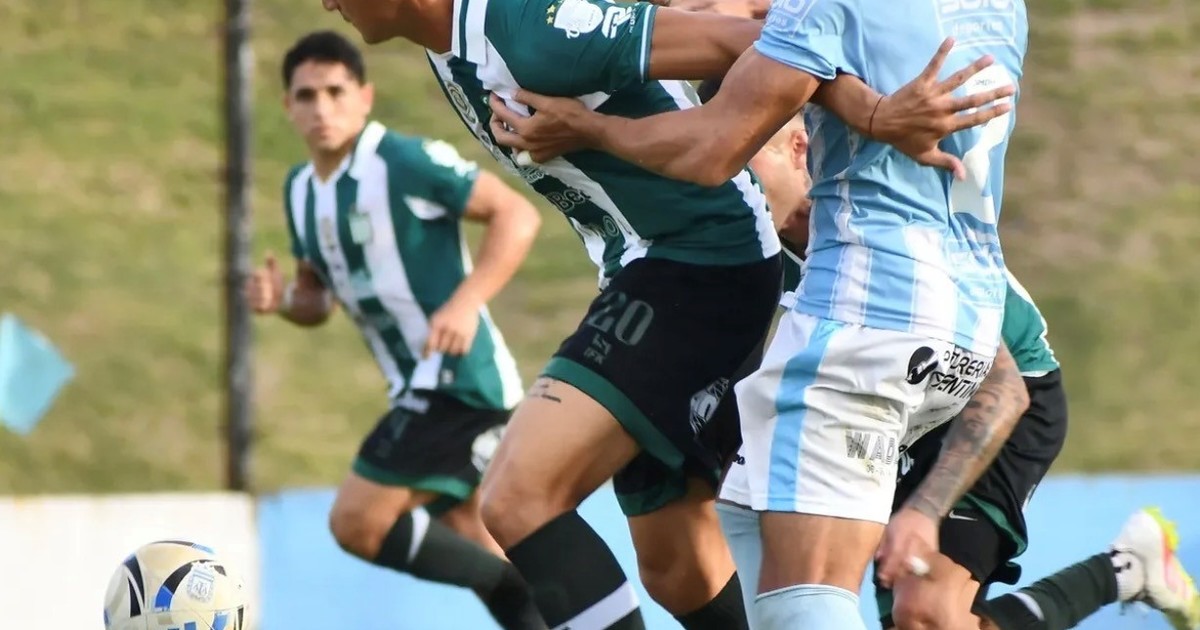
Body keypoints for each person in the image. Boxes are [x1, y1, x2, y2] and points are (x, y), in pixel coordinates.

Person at [319, 0, 1008, 627]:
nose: (326, 3)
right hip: (661, 266)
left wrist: (874, 115)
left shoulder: (529, 32)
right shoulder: (451, 45)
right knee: (678, 569)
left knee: (518, 497)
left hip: (700, 260)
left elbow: (754, 41)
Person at [712, 105, 1200, 630]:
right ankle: (1127, 568)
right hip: (897, 410)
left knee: (923, 614)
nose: (727, 182)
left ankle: (1120, 572)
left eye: (741, 162)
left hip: (996, 396)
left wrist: (924, 511)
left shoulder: (876, 226)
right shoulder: (759, 246)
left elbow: (1003, 389)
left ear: (798, 149)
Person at [245, 31, 545, 630]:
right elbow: (319, 299)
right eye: (306, 95)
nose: (322, 108)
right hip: (416, 391)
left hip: (459, 384)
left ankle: (515, 585)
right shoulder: (300, 191)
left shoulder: (403, 162)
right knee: (484, 550)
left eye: (336, 92)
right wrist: (285, 302)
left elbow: (516, 214)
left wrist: (465, 304)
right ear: (287, 107)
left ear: (365, 97)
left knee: (356, 520)